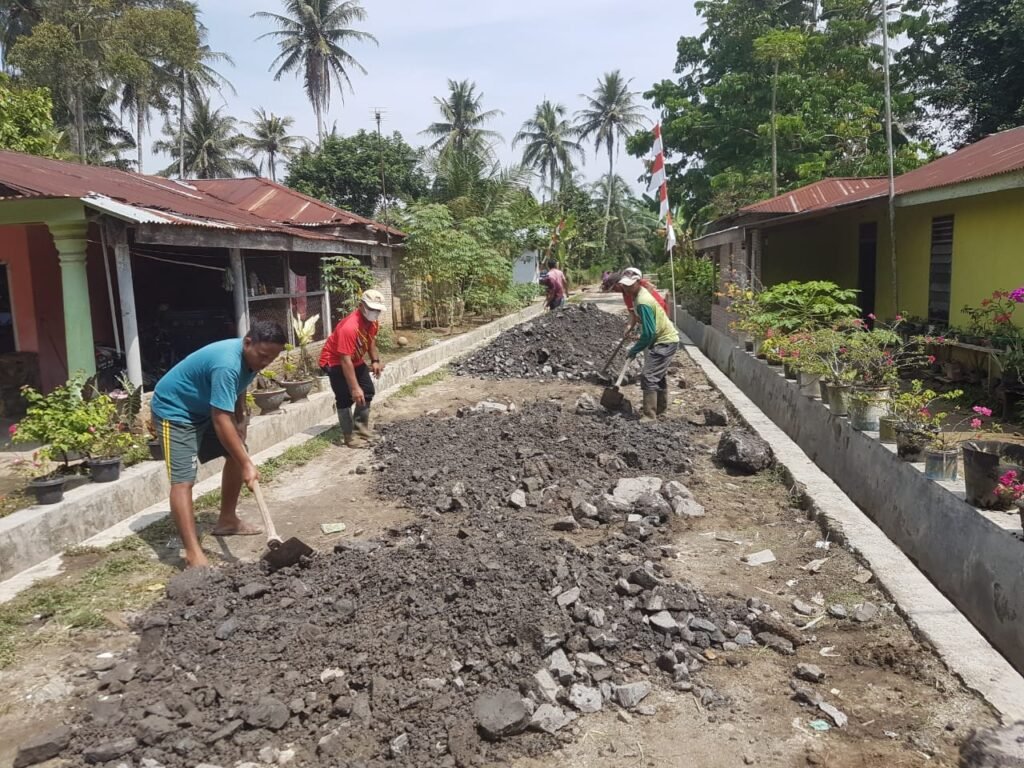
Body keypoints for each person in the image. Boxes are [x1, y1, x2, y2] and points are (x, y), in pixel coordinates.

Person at [151, 320, 287, 568]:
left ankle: (227, 520)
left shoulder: (254, 358)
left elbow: (239, 387)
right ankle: (193, 553)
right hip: (176, 411)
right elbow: (219, 418)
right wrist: (247, 464)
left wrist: (240, 419)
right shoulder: (227, 363)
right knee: (183, 481)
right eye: (263, 356)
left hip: (205, 406)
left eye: (272, 358)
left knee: (237, 453)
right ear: (248, 342)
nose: (266, 362)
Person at [320, 290, 387, 448]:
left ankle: (361, 429)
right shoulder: (349, 327)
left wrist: (375, 361)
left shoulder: (372, 322)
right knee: (345, 397)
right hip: (334, 361)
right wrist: (355, 388)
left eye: (377, 310)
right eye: (371, 308)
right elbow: (344, 359)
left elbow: (370, 341)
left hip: (354, 359)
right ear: (361, 306)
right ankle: (349, 437)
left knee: (368, 391)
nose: (374, 312)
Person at [620, 272, 680, 421]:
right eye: (624, 285)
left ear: (637, 283)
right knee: (657, 374)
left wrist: (634, 350)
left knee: (648, 376)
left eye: (630, 285)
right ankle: (659, 408)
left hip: (665, 341)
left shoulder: (643, 301)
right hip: (663, 339)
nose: (627, 288)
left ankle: (649, 415)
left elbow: (648, 333)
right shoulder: (638, 294)